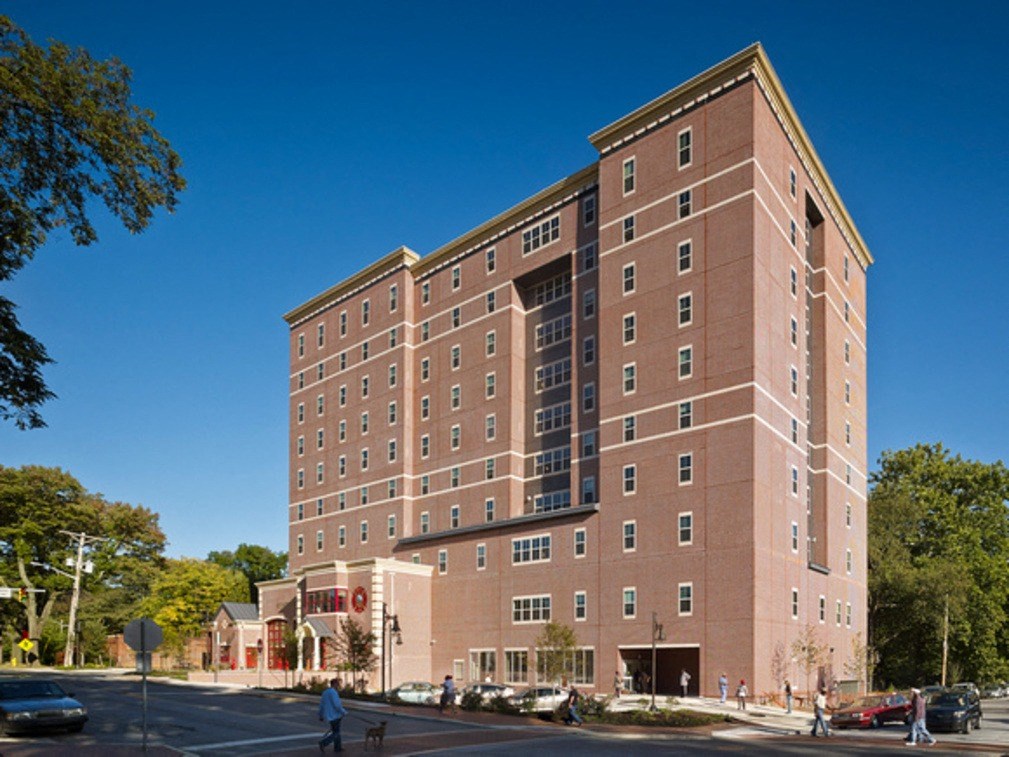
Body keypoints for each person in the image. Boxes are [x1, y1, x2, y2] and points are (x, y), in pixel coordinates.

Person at [318, 678, 348, 753]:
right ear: (334, 684)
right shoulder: (333, 692)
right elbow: (337, 705)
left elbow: (321, 705)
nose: (338, 685)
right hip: (335, 716)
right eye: (338, 684)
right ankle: (323, 743)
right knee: (336, 733)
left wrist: (321, 715)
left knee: (336, 731)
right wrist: (343, 712)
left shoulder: (325, 692)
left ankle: (337, 748)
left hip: (329, 716)